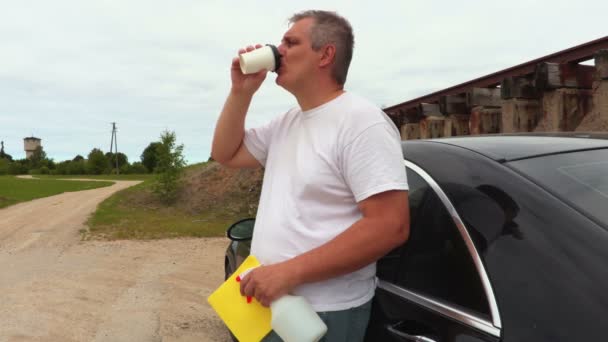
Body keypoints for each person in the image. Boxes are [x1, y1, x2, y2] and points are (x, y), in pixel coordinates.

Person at [211, 10, 410, 341]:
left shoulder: (362, 122)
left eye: (291, 42)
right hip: (264, 301)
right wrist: (241, 92)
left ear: (326, 54)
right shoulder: (288, 121)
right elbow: (225, 153)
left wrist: (287, 273)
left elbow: (390, 225)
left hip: (321, 312)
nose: (279, 50)